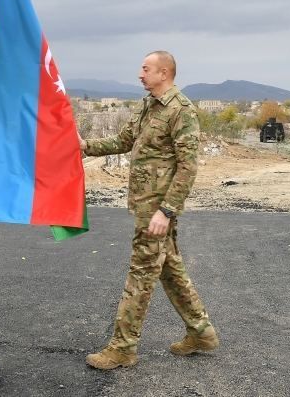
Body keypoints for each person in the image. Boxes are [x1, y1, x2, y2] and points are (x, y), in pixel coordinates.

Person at [80, 50, 219, 370]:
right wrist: (85, 145)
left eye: (146, 69)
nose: (140, 74)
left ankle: (122, 347)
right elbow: (124, 140)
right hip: (145, 205)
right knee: (169, 270)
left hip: (158, 210)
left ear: (164, 73)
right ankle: (201, 331)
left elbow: (188, 167)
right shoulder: (147, 106)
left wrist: (167, 210)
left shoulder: (181, 111)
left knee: (141, 275)